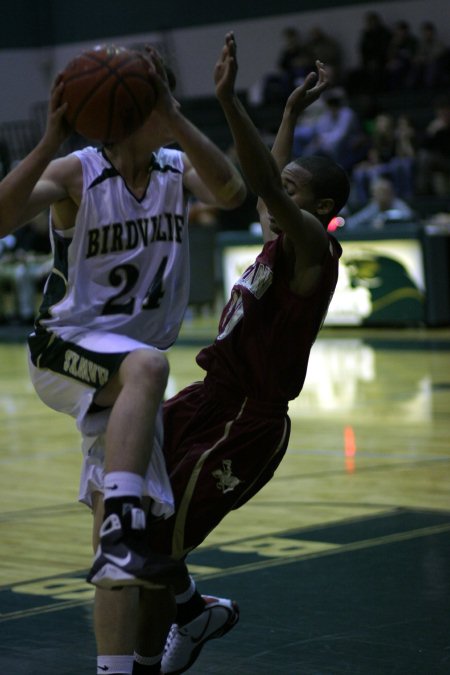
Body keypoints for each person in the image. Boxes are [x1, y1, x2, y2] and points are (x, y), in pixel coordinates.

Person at [82, 33, 351, 675]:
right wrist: (286, 116)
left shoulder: (313, 249)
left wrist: (226, 100)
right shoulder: (282, 232)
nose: (271, 199)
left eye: (288, 191)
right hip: (208, 398)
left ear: (319, 208)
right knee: (137, 517)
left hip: (247, 423)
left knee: (148, 549)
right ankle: (193, 611)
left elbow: (263, 181)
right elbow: (268, 185)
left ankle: (152, 651)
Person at [0, 45, 246, 593]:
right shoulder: (76, 173)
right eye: (163, 98)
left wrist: (176, 117)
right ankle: (121, 539)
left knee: (126, 493)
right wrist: (46, 142)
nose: (174, 104)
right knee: (148, 370)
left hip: (125, 368)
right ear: (137, 110)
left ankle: (170, 607)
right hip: (64, 347)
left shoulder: (175, 168)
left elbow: (231, 193)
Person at [345, 176, 416, 231]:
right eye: (377, 193)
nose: (380, 196)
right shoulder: (374, 206)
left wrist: (384, 220)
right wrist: (371, 224)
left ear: (390, 193)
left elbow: (410, 216)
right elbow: (352, 223)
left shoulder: (397, 203)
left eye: (383, 192)